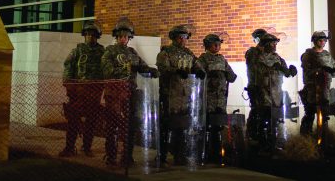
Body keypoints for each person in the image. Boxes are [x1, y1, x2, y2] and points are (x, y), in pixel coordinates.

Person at [101, 18, 158, 167]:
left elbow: (142, 65)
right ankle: (111, 156)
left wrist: (150, 70)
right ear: (116, 37)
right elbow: (106, 71)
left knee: (130, 125)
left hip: (130, 92)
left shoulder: (132, 52)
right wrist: (126, 69)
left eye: (126, 36)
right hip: (114, 93)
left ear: (129, 38)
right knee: (112, 125)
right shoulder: (110, 51)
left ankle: (127, 156)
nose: (123, 39)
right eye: (120, 36)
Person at [156, 24, 206, 165]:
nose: (182, 40)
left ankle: (180, 155)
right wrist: (176, 71)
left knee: (182, 126)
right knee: (166, 125)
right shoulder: (165, 53)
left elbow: (197, 64)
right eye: (180, 37)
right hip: (169, 95)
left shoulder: (189, 53)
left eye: (185, 37)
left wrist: (200, 71)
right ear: (174, 38)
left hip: (185, 96)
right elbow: (163, 68)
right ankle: (162, 155)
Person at [60, 21, 106, 157]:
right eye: (87, 34)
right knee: (73, 120)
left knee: (91, 122)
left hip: (94, 92)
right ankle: (69, 148)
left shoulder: (102, 52)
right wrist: (69, 86)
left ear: (97, 36)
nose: (90, 37)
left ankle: (87, 148)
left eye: (93, 35)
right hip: (78, 92)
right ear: (84, 35)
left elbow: (106, 69)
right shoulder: (78, 50)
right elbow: (68, 66)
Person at [249, 33, 296, 152]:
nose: (275, 45)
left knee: (275, 120)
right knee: (264, 119)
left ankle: (273, 144)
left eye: (276, 43)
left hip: (277, 94)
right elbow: (257, 73)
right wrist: (272, 68)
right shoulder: (257, 58)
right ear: (265, 44)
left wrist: (291, 70)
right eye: (273, 43)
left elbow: (286, 72)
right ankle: (262, 144)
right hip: (263, 94)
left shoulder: (278, 58)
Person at [198, 33, 237, 163]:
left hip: (221, 100)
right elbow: (199, 74)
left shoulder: (222, 59)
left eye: (219, 44)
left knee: (218, 127)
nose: (217, 46)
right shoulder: (203, 59)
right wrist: (210, 75)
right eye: (215, 44)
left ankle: (217, 154)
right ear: (208, 45)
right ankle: (205, 154)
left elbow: (232, 76)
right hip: (208, 99)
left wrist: (228, 75)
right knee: (207, 127)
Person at [299, 30, 335, 136]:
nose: (323, 42)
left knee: (324, 117)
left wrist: (331, 71)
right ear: (315, 41)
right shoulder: (308, 55)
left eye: (325, 40)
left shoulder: (327, 55)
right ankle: (305, 139)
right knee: (310, 115)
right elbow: (307, 73)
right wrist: (320, 70)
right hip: (312, 91)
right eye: (321, 40)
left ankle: (323, 139)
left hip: (324, 91)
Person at [244, 28, 267, 139]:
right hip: (255, 86)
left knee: (266, 112)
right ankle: (251, 136)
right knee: (256, 110)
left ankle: (263, 136)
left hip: (267, 88)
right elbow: (255, 68)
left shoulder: (269, 53)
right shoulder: (252, 52)